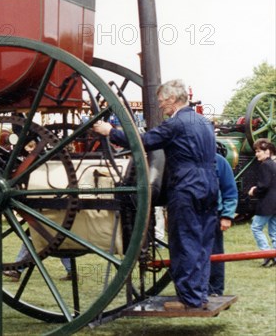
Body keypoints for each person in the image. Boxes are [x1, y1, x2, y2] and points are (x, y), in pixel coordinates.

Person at [93, 79, 218, 310]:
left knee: (183, 241)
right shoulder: (204, 122)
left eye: (161, 102)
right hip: (210, 185)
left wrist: (111, 131)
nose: (160, 106)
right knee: (202, 241)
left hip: (186, 187)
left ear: (172, 99)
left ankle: (189, 299)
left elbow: (144, 141)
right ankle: (199, 294)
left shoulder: (176, 124)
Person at [208, 151, 238, 295]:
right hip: (190, 215)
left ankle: (215, 289)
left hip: (213, 215)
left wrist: (227, 215)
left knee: (215, 253)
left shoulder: (219, 161)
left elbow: (230, 191)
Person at [248, 138, 276, 267]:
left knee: (256, 227)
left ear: (268, 151)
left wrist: (254, 191)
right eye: (256, 151)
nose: (256, 154)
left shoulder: (265, 165)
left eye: (259, 151)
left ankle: (267, 253)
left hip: (267, 203)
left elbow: (264, 186)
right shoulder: (274, 165)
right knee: (274, 231)